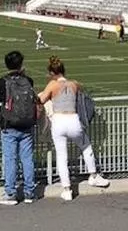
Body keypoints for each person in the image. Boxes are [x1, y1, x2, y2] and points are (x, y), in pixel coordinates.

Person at [38, 56, 109, 201]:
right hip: (73, 120)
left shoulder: (52, 85)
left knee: (61, 156)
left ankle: (67, 189)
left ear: (52, 73)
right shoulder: (74, 84)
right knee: (86, 146)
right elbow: (82, 94)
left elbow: (42, 99)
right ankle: (93, 175)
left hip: (58, 121)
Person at [0, 50, 37, 205]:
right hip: (26, 125)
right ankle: (29, 192)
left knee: (10, 159)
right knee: (27, 159)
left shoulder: (2, 82)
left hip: (9, 125)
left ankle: (10, 192)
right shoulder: (28, 81)